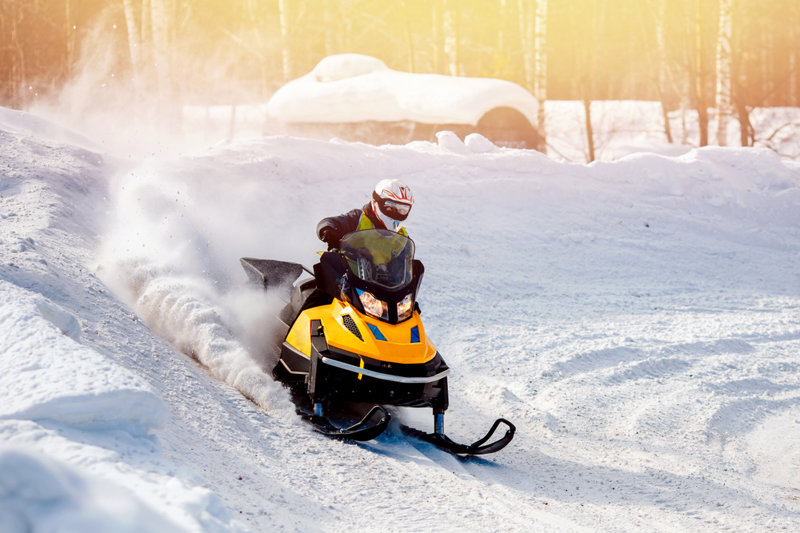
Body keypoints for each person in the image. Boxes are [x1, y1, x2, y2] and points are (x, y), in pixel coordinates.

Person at [317, 179, 414, 250]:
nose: (396, 214)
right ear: (376, 202)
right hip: (345, 269)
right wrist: (328, 231)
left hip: (377, 273)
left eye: (403, 210)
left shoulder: (402, 237)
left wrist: (413, 267)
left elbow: (403, 264)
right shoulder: (357, 218)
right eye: (391, 208)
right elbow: (329, 222)